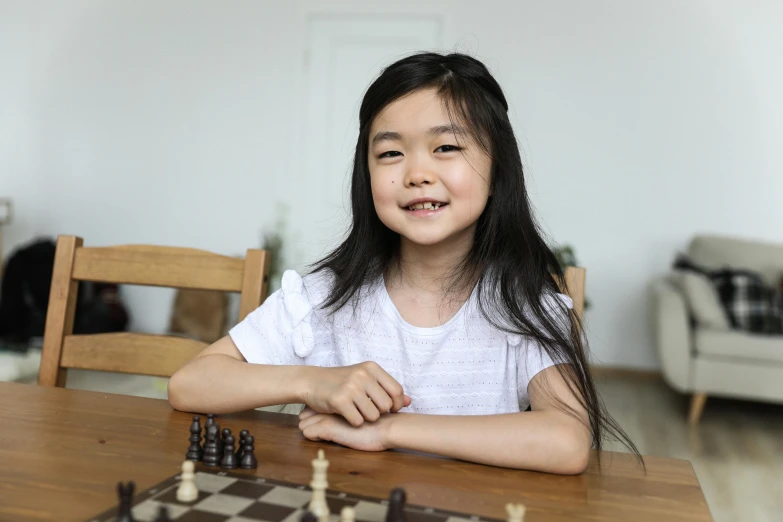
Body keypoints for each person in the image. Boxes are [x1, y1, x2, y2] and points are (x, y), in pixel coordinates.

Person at [168, 51, 642, 474]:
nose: (417, 173)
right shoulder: (323, 299)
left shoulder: (524, 306)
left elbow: (567, 442)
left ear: (498, 170)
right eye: (391, 153)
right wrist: (312, 381)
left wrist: (390, 430)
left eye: (447, 148)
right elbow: (191, 384)